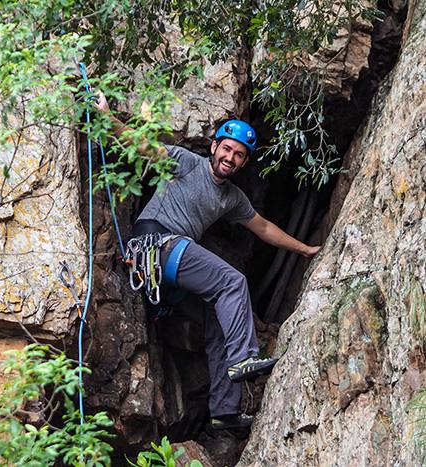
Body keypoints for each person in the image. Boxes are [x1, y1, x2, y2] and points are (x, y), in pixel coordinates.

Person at [94, 93, 321, 430]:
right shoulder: (187, 162)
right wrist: (109, 120)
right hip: (156, 245)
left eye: (239, 155)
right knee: (231, 282)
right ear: (214, 146)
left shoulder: (232, 198)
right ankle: (245, 357)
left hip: (170, 266)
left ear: (244, 163)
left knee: (219, 317)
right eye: (227, 148)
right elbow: (144, 147)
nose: (230, 157)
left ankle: (224, 412)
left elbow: (263, 227)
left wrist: (304, 249)